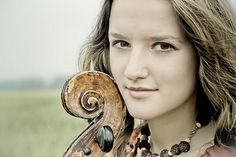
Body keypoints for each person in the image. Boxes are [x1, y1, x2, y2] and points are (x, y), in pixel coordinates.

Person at [78, 0, 236, 156]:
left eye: (162, 46)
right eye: (121, 43)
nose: (132, 71)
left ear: (206, 52)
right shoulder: (115, 150)